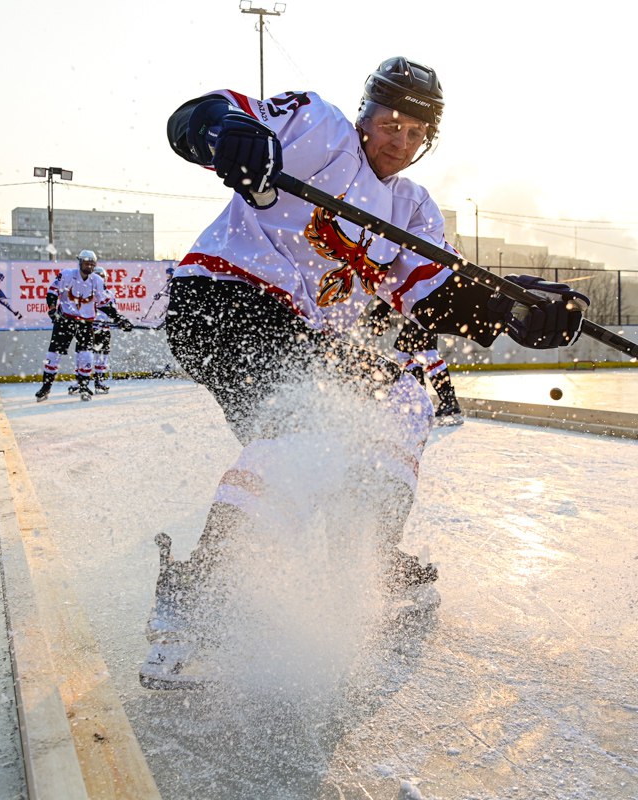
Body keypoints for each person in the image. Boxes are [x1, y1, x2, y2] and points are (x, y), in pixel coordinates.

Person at [143, 57, 587, 686]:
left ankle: (367, 554)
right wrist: (225, 134)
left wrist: (513, 307)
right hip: (224, 299)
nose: (398, 142)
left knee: (403, 400)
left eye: (415, 134)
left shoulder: (411, 209)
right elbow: (203, 113)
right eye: (391, 123)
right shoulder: (316, 129)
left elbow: (434, 294)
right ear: (366, 114)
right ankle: (197, 597)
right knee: (307, 431)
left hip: (306, 335)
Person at [35, 250, 131, 402]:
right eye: (87, 263)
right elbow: (52, 293)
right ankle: (46, 387)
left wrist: (119, 319)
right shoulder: (67, 275)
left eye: (92, 264)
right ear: (80, 263)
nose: (89, 267)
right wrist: (52, 310)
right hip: (65, 320)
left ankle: (84, 385)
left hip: (86, 323)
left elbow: (104, 304)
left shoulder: (97, 281)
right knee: (53, 354)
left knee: (86, 355)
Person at [369, 298, 462, 424]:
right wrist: (380, 316)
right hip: (416, 310)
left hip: (427, 305)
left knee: (426, 354)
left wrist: (380, 315)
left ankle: (449, 402)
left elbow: (391, 290)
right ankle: (418, 400)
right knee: (404, 353)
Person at [67, 264, 119, 395]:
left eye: (102, 277)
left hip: (103, 328)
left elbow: (112, 310)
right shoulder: (85, 292)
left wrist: (116, 319)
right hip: (87, 327)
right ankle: (80, 381)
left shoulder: (108, 294)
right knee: (82, 354)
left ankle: (99, 380)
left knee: (102, 355)